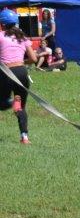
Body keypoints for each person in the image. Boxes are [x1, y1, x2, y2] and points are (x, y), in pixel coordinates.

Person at [0, 10, 36, 144]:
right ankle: (24, 137)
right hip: (22, 72)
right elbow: (33, 58)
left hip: (6, 72)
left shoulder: (1, 36)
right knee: (21, 107)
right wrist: (21, 62)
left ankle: (11, 102)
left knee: (2, 104)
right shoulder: (23, 37)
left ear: (2, 24)